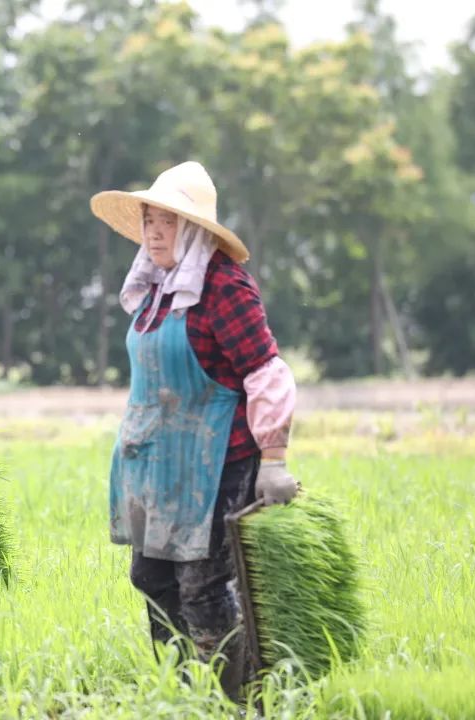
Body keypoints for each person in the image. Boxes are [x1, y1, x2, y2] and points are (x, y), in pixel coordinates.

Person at [89, 161, 298, 699]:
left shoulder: (225, 286)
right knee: (151, 578)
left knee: (203, 587)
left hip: (216, 462)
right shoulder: (155, 288)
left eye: (169, 222)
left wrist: (272, 459)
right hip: (154, 458)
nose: (155, 233)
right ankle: (181, 692)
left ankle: (237, 698)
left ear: (197, 230)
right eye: (149, 221)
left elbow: (264, 372)